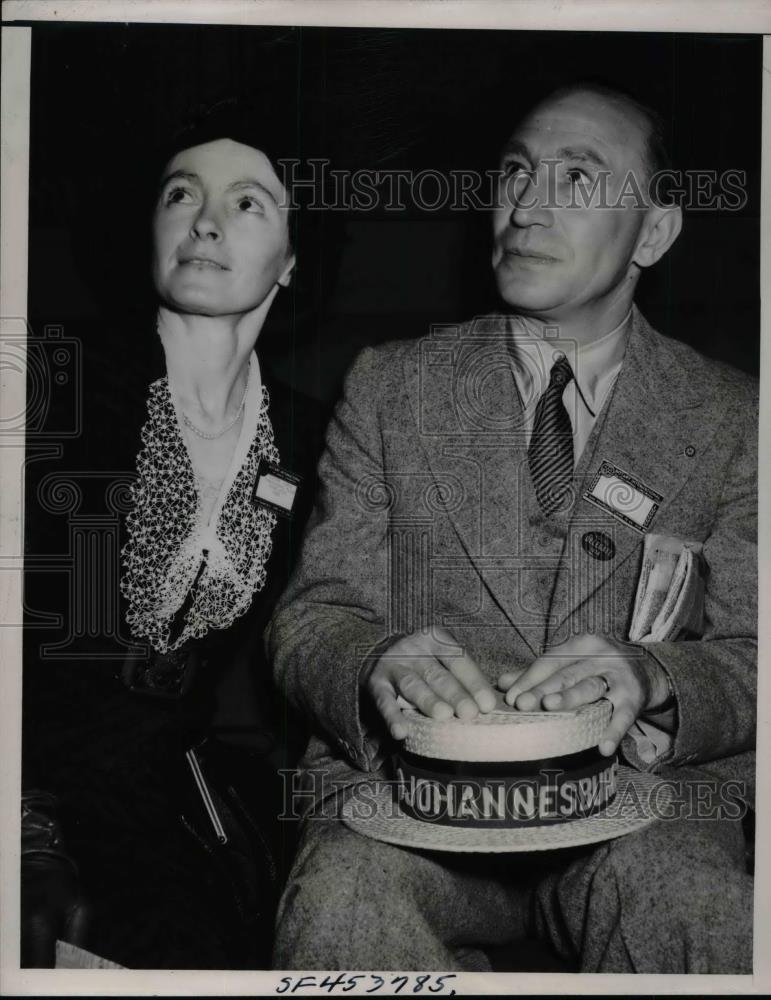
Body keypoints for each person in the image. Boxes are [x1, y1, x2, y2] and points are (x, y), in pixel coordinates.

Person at [267, 83, 757, 973]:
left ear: (653, 232)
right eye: (516, 174)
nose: (526, 206)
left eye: (577, 179)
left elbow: (756, 651)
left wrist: (653, 675)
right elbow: (312, 618)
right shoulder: (390, 386)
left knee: (694, 902)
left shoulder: (734, 417)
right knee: (343, 900)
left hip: (645, 805)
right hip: (411, 799)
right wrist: (374, 662)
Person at [22, 110, 325, 968]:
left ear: (292, 261)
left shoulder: (308, 435)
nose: (205, 221)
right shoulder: (55, 381)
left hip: (164, 791)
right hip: (29, 781)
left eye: (248, 204)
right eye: (181, 194)